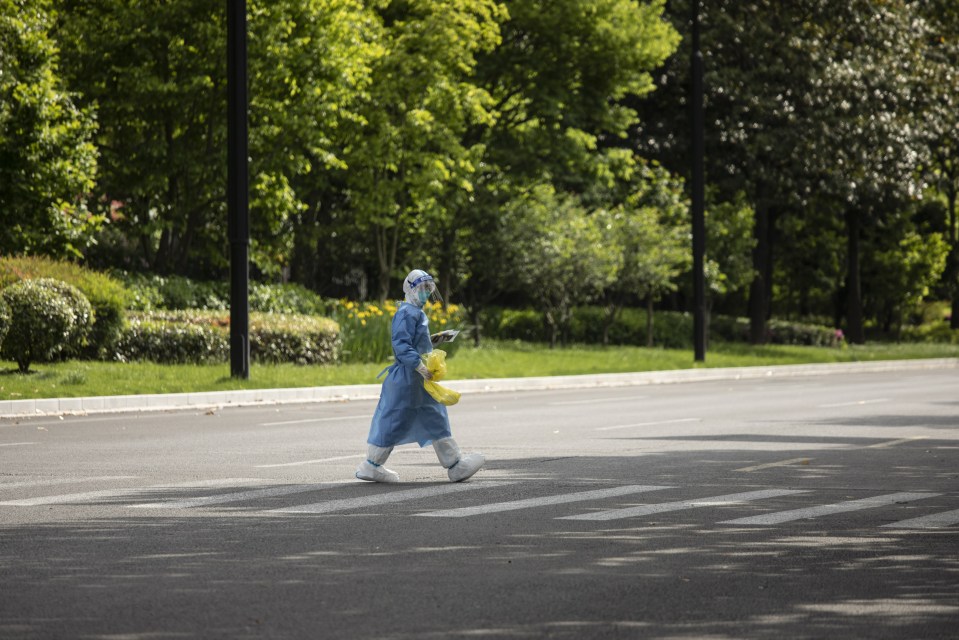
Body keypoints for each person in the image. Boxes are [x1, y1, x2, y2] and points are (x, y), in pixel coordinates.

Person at [355, 269, 485, 484]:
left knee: (433, 417)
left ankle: (455, 465)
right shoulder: (407, 313)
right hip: (408, 378)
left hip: (415, 378)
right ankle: (371, 465)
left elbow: (413, 342)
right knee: (396, 420)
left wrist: (432, 341)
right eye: (422, 289)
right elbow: (401, 344)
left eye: (428, 289)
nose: (426, 293)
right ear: (410, 289)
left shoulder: (412, 312)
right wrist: (418, 365)